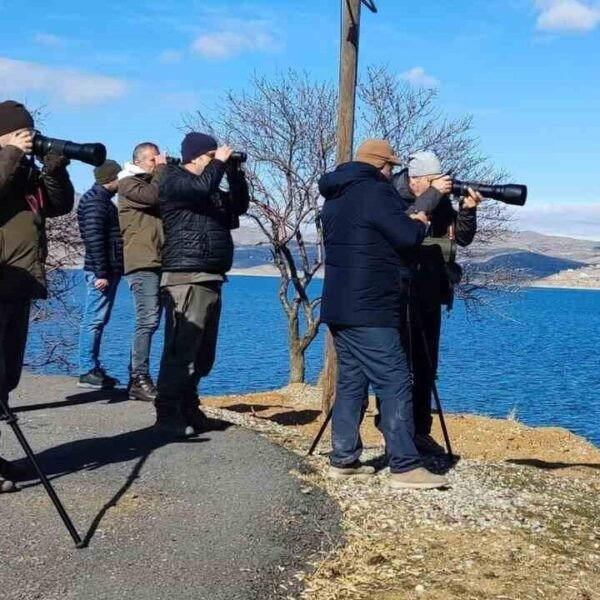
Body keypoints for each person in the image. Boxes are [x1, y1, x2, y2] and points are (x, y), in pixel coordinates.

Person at [319, 139, 448, 490]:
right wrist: (420, 218)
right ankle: (405, 466)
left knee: (351, 383)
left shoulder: (335, 197)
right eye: (391, 166)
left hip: (338, 305)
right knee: (394, 381)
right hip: (371, 306)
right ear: (381, 166)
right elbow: (406, 238)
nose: (393, 173)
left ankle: (343, 459)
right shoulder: (376, 194)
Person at [0, 101, 74, 493]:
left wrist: (54, 169)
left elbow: (60, 206)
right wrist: (10, 153)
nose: (27, 139)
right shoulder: (6, 164)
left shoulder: (24, 172)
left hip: (19, 285)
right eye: (20, 133)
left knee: (6, 379)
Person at [154, 133, 249, 436]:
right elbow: (200, 187)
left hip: (210, 276)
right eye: (210, 155)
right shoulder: (174, 181)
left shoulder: (210, 189)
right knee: (181, 350)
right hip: (187, 276)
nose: (216, 160)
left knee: (203, 354)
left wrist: (235, 175)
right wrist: (218, 164)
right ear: (194, 157)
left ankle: (190, 408)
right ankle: (167, 414)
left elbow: (238, 208)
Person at [393, 151, 481, 455]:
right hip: (398, 294)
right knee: (398, 366)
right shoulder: (392, 194)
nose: (440, 187)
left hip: (430, 291)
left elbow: (462, 238)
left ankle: (420, 431)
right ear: (414, 180)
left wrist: (467, 210)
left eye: (440, 181)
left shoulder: (439, 200)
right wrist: (431, 197)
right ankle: (396, 429)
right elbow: (402, 229)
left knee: (426, 366)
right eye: (433, 182)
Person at [118, 143, 167, 402]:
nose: (156, 163)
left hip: (159, 261)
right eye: (151, 159)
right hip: (142, 262)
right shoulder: (128, 184)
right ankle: (139, 378)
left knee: (156, 321)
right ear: (137, 160)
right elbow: (154, 196)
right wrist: (161, 169)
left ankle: (140, 377)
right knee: (147, 321)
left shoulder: (150, 181)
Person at [77, 160, 123, 388]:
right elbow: (95, 240)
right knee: (94, 320)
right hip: (101, 271)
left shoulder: (99, 200)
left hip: (103, 269)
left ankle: (91, 367)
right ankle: (87, 369)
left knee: (97, 320)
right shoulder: (97, 203)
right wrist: (102, 273)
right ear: (111, 178)